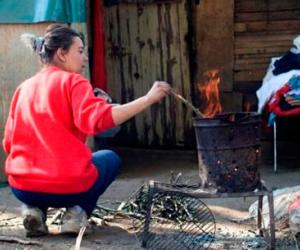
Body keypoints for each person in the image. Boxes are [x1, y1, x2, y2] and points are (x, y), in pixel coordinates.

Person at [2, 24, 170, 237]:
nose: (85, 58)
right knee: (109, 158)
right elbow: (99, 121)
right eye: (80, 51)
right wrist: (148, 99)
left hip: (22, 187)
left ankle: (34, 210)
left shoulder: (23, 88)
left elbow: (8, 142)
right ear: (62, 54)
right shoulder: (74, 82)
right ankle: (76, 214)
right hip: (68, 188)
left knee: (42, 167)